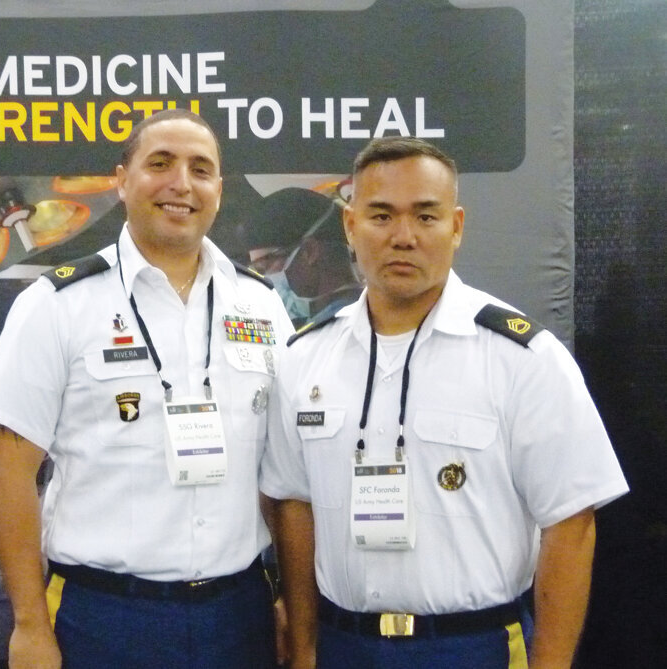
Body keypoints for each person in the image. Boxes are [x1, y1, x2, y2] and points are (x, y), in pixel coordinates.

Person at [260, 137, 629, 669]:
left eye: (425, 217)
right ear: (349, 226)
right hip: (344, 645)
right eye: (381, 216)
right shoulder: (305, 358)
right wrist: (303, 648)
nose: (403, 237)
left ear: (456, 227)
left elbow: (571, 522)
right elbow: (294, 505)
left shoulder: (522, 358)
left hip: (473, 646)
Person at [0, 108, 293, 669]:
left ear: (218, 187)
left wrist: (288, 597)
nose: (181, 184)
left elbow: (284, 469)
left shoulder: (261, 305)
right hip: (104, 616)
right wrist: (28, 625)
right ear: (122, 180)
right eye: (160, 164)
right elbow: (10, 469)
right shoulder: (57, 305)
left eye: (201, 168)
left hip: (239, 613)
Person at [243, 187, 362, 328]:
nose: (264, 279)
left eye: (264, 267)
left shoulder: (348, 327)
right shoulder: (313, 325)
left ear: (309, 252)